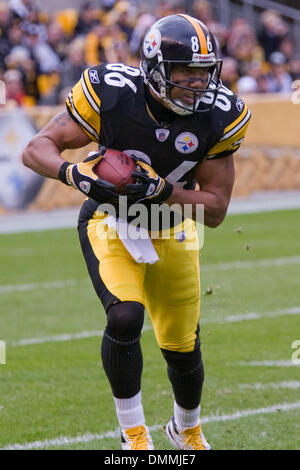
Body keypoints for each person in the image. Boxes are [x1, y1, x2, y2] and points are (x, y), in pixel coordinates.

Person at [22, 14, 251, 450]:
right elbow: (35, 149)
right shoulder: (111, 94)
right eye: (185, 72)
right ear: (155, 68)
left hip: (173, 228)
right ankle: (134, 436)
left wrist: (162, 191)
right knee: (125, 316)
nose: (197, 83)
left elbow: (217, 209)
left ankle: (187, 431)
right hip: (111, 222)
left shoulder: (220, 116)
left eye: (204, 73)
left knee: (182, 345)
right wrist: (74, 174)